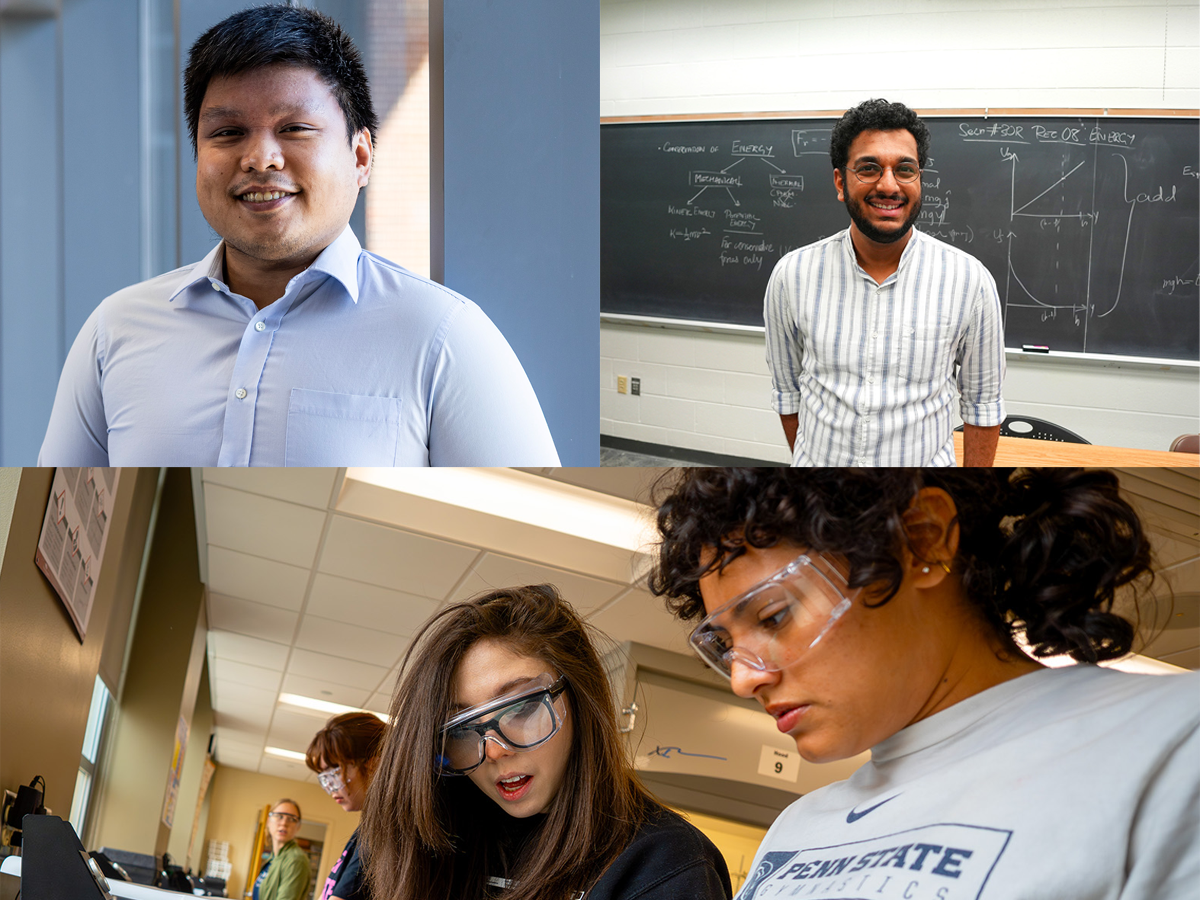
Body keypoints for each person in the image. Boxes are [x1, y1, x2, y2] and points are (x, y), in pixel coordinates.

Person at [38, 4, 558, 467]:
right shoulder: (115, 330)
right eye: (227, 133)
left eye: (295, 129)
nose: (260, 158)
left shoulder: (444, 337)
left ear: (360, 157)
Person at [649, 468, 1198, 900]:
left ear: (922, 541)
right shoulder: (798, 831)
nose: (744, 679)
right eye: (725, 645)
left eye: (772, 617)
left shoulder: (1172, 740)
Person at [359, 584, 732, 900]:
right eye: (461, 729)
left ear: (579, 698)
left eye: (521, 708)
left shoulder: (666, 862)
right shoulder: (443, 837)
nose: (493, 749)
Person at [764, 99, 1005, 467]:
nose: (889, 185)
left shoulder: (970, 283)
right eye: (869, 168)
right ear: (840, 181)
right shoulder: (791, 277)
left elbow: (982, 407)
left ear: (919, 179)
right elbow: (788, 394)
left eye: (905, 169)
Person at [305, 712, 386, 900]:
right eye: (324, 777)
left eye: (335, 772)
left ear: (374, 765)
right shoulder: (368, 827)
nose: (331, 786)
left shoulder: (384, 829)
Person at [252, 799, 312, 900]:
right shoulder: (274, 858)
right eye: (279, 816)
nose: (284, 823)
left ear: (298, 827)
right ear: (268, 821)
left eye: (292, 819)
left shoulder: (296, 860)